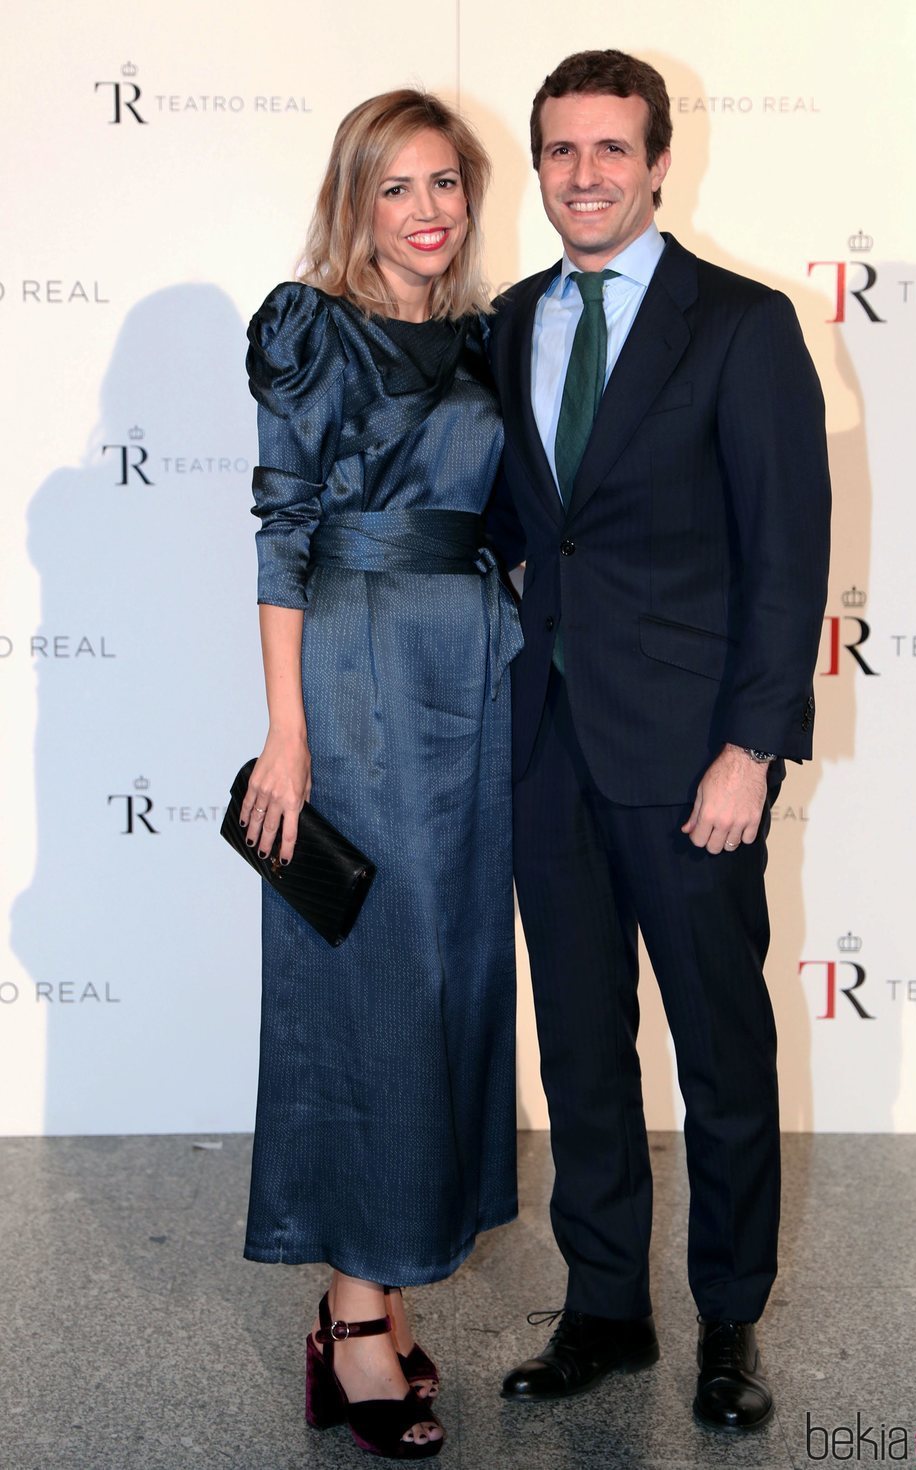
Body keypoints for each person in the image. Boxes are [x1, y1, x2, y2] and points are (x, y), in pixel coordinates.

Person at [486, 50, 831, 1432]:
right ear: (542, 163)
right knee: (577, 1043)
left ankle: (731, 1317)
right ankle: (608, 1305)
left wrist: (751, 747)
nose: (585, 175)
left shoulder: (742, 325)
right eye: (562, 151)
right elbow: (525, 522)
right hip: (548, 747)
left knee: (722, 1049)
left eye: (610, 151)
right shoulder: (513, 319)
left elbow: (786, 555)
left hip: (694, 759)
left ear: (658, 161)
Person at [240, 89, 522, 1461]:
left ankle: (384, 1287)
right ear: (355, 201)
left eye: (446, 184)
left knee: (449, 977)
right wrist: (286, 728)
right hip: (351, 679)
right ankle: (356, 1316)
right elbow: (282, 533)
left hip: (471, 679)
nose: (429, 211)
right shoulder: (311, 330)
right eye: (398, 188)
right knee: (368, 978)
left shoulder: (480, 335)